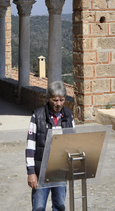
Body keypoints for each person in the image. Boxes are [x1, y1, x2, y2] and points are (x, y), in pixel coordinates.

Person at [25, 81, 75, 211]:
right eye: (55, 100)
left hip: (60, 170)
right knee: (38, 207)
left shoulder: (69, 116)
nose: (58, 104)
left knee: (59, 206)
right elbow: (30, 146)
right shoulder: (38, 115)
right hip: (41, 170)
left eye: (62, 100)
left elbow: (73, 142)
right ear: (49, 98)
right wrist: (31, 173)